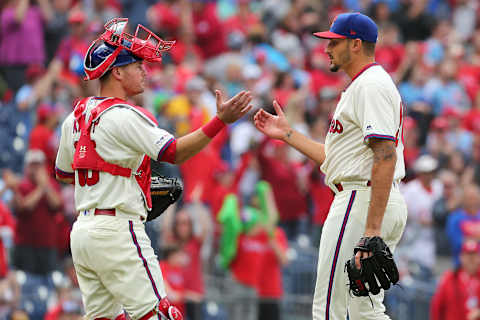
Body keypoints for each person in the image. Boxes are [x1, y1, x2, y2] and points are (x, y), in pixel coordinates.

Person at [54, 18, 252, 320]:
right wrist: (219, 121)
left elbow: (65, 173)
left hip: (83, 232)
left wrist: (116, 181)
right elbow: (174, 152)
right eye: (137, 65)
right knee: (161, 315)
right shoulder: (124, 115)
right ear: (117, 72)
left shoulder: (75, 117)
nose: (144, 72)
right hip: (118, 229)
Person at [253, 12, 408, 320]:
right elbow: (338, 160)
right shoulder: (365, 85)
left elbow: (385, 154)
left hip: (360, 199)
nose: (326, 49)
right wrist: (288, 134)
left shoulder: (370, 86)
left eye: (334, 42)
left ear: (355, 44)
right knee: (365, 311)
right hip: (371, 196)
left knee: (328, 309)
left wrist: (372, 229)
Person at [430, 240, 480, 320]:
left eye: (474, 256)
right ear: (461, 257)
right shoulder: (450, 278)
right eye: (468, 256)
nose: (471, 260)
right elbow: (437, 306)